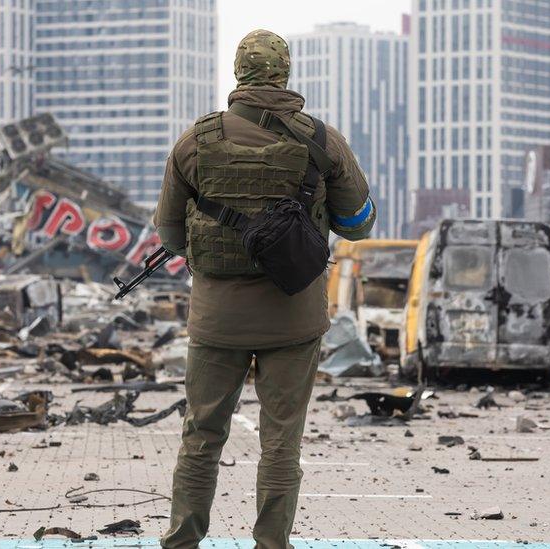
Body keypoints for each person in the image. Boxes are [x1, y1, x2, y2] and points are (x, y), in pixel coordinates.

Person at [153, 28, 375, 549]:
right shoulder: (322, 140)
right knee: (280, 443)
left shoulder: (195, 141)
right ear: (285, 72)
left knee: (201, 437)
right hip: (295, 317)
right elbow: (359, 223)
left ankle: (183, 542)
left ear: (238, 72)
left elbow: (169, 236)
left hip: (215, 320)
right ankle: (272, 545)